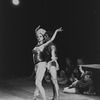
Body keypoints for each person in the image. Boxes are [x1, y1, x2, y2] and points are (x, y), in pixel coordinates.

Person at [32, 25, 63, 100]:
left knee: (52, 81)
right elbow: (38, 36)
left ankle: (55, 98)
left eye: (43, 36)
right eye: (39, 36)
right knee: (44, 81)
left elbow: (52, 39)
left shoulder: (47, 45)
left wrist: (56, 31)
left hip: (46, 64)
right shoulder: (40, 44)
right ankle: (37, 96)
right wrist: (35, 31)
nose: (40, 37)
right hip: (41, 64)